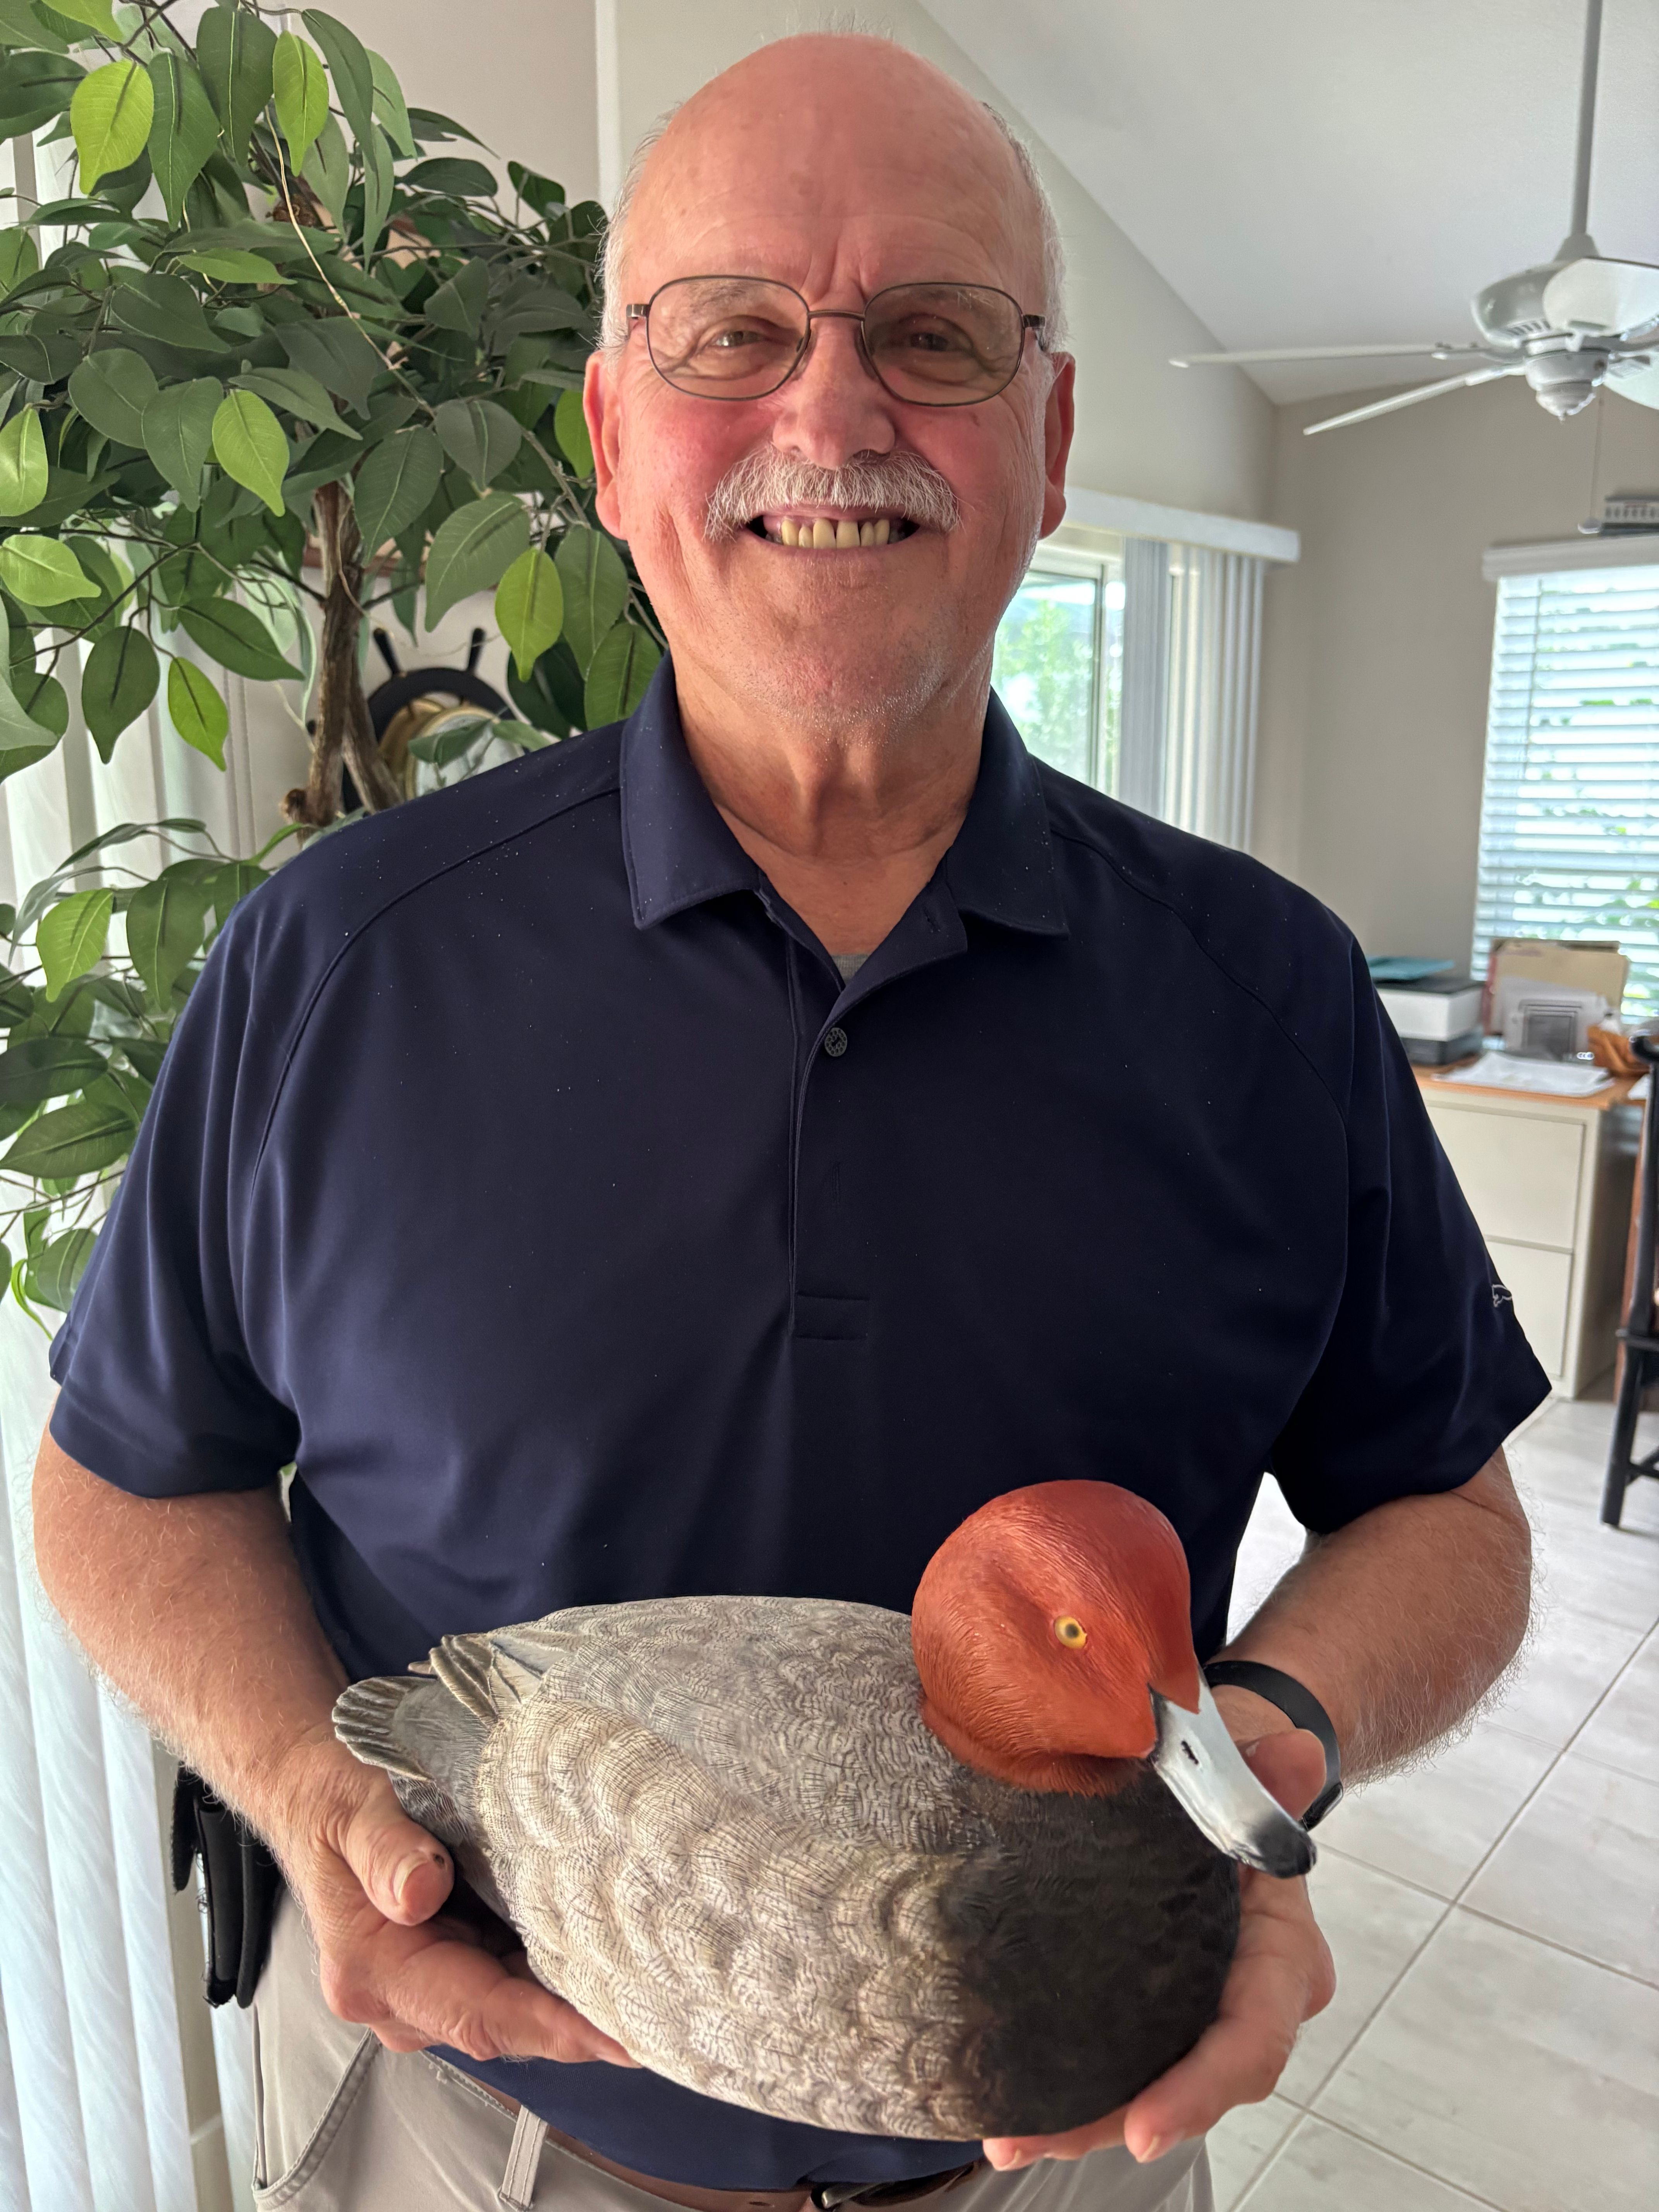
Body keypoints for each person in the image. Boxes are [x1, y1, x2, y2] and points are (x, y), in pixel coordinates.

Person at [33, 31, 1542, 2212]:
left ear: (1047, 440)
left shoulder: (1270, 997)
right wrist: (304, 1795)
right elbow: (123, 1498)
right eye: (736, 331)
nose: (831, 418)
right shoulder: (337, 966)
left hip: (1062, 2166)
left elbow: (1456, 1526)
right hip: (490, 2151)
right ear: (616, 437)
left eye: (931, 335)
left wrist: (1267, 1757)